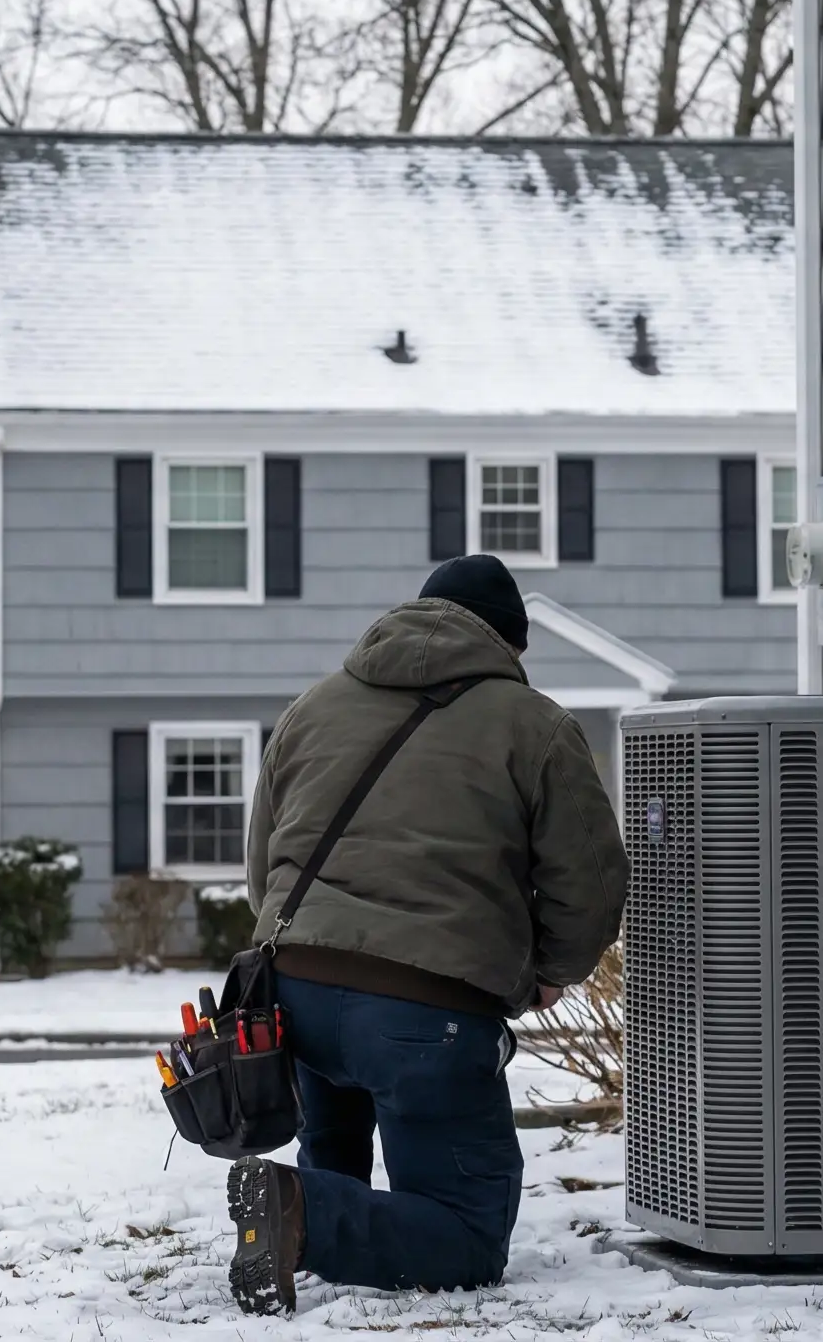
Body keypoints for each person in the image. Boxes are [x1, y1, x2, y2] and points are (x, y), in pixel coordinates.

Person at [225, 554, 627, 1315]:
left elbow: (264, 868)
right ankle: (297, 1212)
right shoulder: (533, 724)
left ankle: (303, 1209)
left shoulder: (311, 708)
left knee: (336, 1154)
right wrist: (550, 970)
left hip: (299, 995)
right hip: (423, 1011)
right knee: (466, 1235)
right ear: (511, 646)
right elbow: (592, 884)